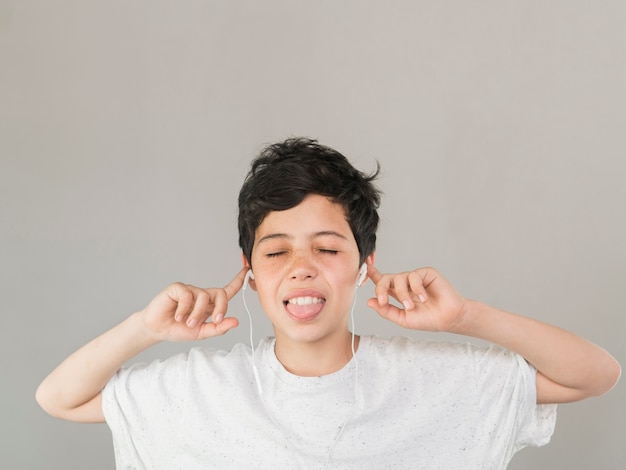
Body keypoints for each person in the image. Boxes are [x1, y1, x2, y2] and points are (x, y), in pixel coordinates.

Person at [36, 137, 620, 469]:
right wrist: (146, 327)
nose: (301, 269)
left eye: (327, 247)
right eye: (276, 252)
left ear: (365, 266)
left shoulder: (435, 380)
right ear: (249, 275)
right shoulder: (200, 389)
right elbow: (59, 398)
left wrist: (464, 317)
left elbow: (596, 374)